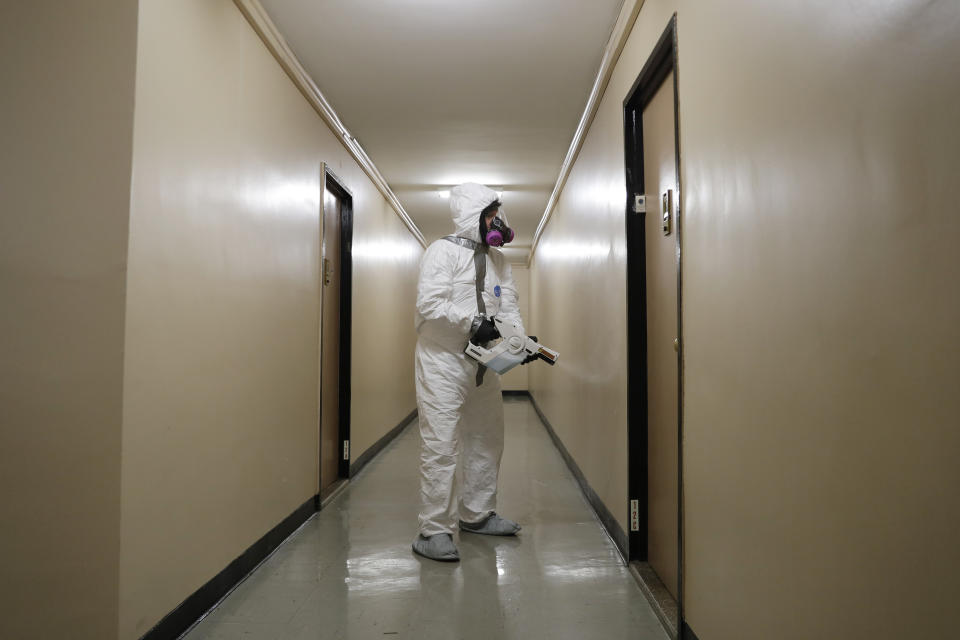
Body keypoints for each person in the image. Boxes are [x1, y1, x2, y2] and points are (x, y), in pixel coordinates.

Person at [412, 182, 526, 562]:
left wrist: (518, 340)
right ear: (471, 217)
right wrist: (472, 321)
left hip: (483, 362)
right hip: (442, 360)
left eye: (498, 215)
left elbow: (507, 303)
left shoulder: (499, 261)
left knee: (487, 438)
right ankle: (433, 530)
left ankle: (476, 515)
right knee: (441, 443)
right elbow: (430, 303)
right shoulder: (440, 252)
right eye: (490, 216)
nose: (497, 222)